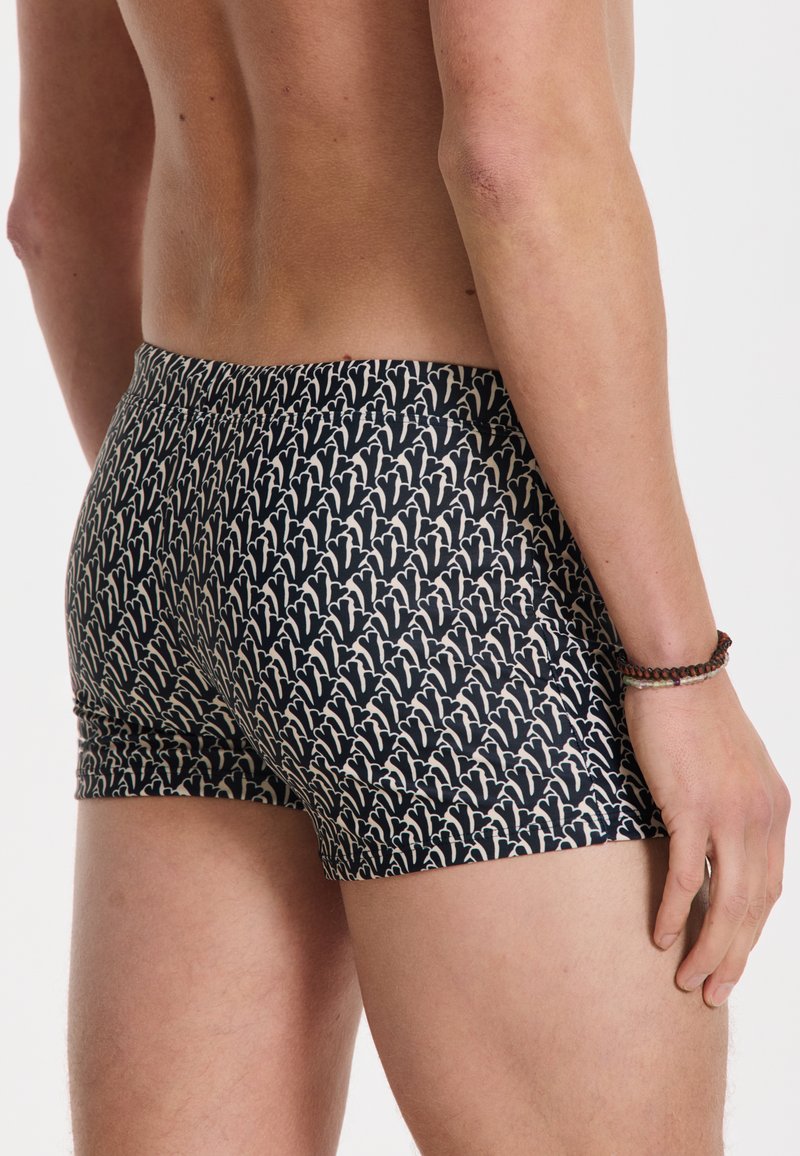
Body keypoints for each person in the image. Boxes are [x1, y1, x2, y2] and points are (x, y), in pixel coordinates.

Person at [7, 0, 790, 1152]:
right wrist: (677, 666)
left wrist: (237, 550)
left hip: (162, 480)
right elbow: (512, 160)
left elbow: (54, 212)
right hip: (430, 502)